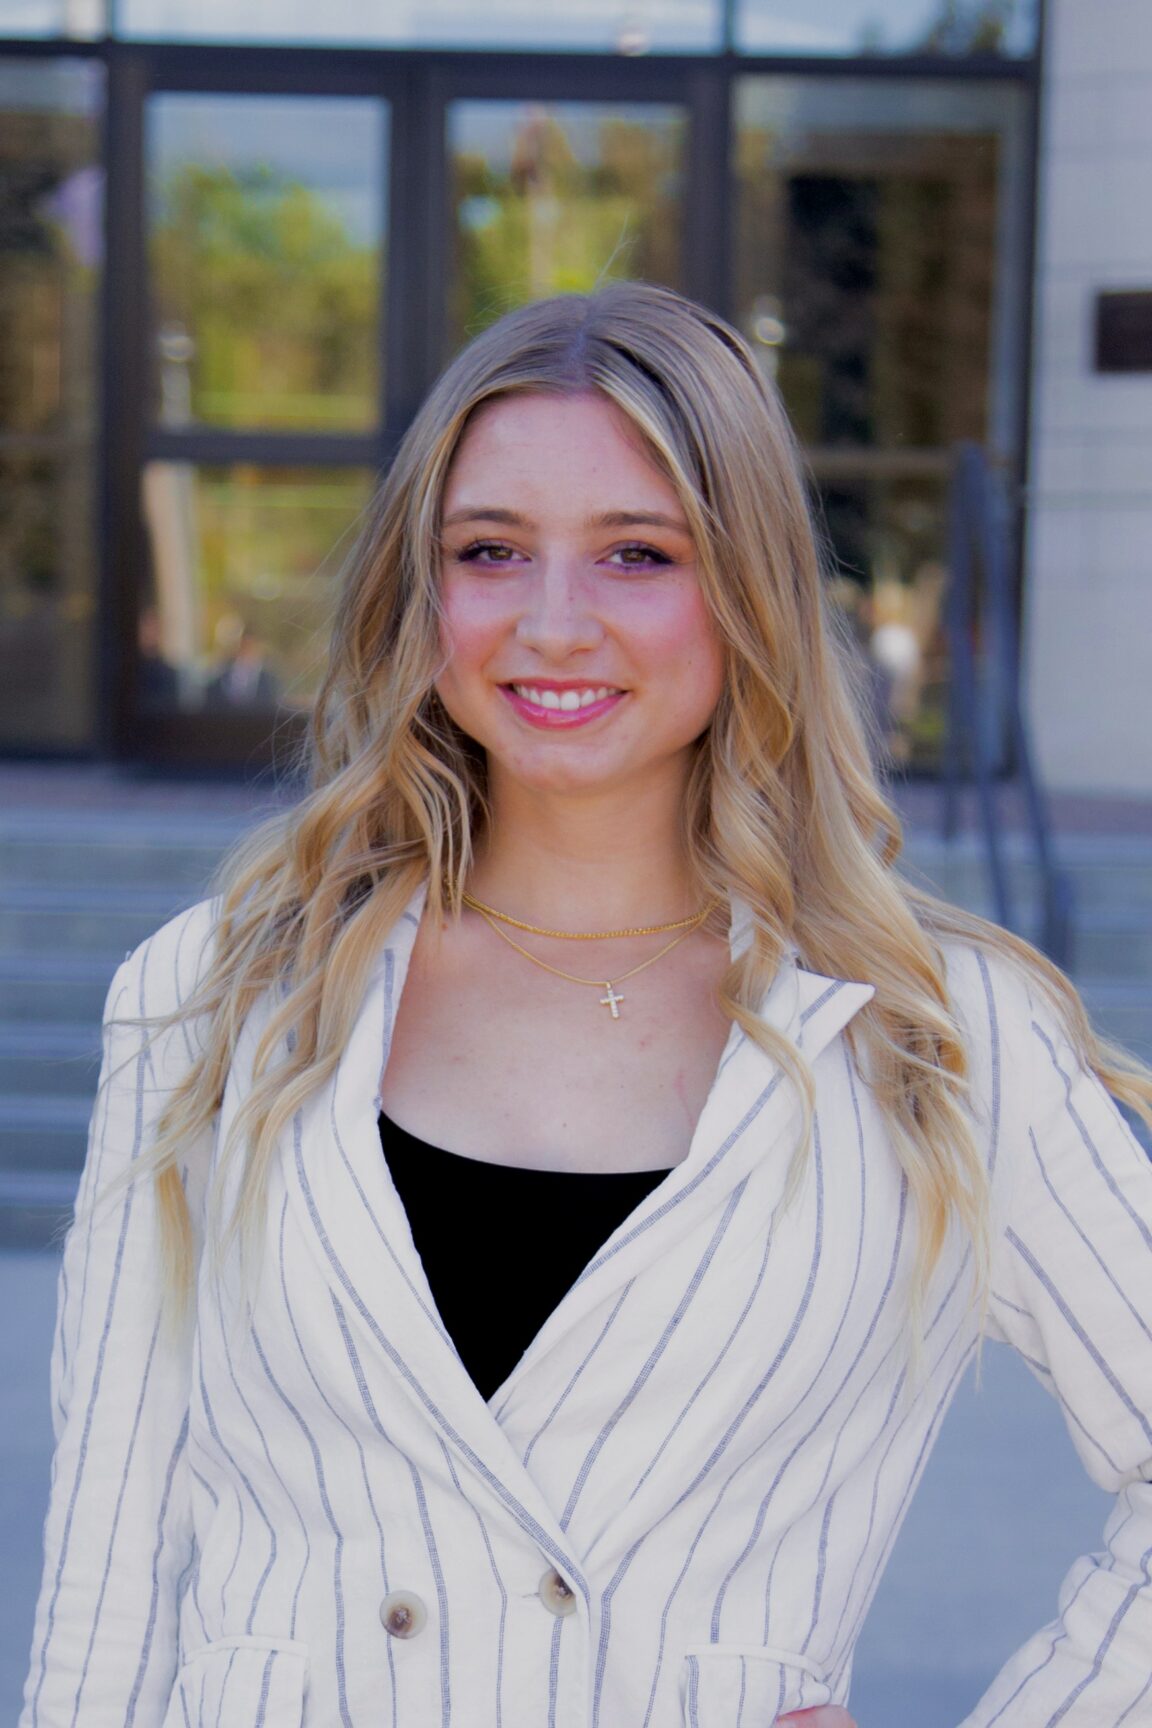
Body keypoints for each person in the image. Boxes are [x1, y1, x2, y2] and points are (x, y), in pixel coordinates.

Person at [21, 283, 1152, 1728]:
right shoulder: (215, 997)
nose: (554, 624)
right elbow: (110, 1562)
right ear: (420, 593)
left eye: (638, 553)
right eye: (490, 551)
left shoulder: (934, 1032)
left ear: (746, 589)